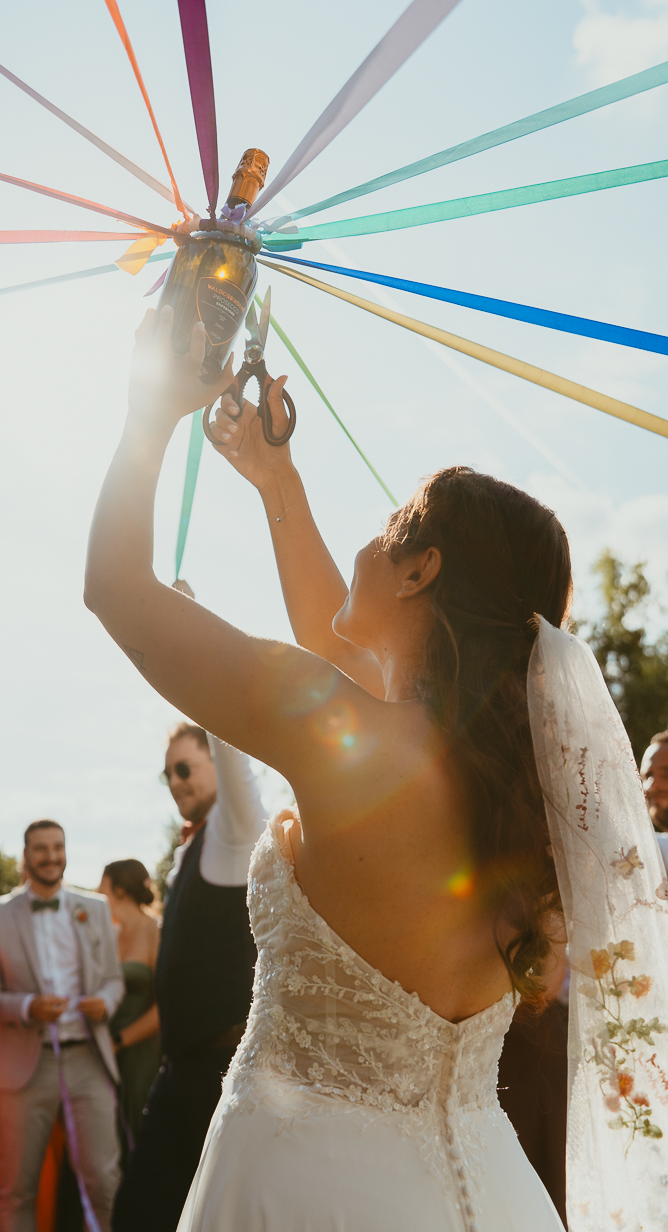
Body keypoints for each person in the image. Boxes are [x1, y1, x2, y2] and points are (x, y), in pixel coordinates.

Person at [83, 307, 582, 1230]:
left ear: (419, 570)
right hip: (492, 1191)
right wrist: (277, 479)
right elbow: (344, 658)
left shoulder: (343, 737)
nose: (368, 538)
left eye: (387, 525)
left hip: (306, 1189)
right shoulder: (532, 798)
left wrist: (149, 405)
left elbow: (113, 587)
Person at [111, 725, 265, 1232]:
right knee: (138, 1210)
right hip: (178, 1071)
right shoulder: (190, 851)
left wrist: (211, 705)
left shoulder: (236, 832)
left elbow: (233, 753)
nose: (175, 782)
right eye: (167, 774)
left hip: (222, 1071)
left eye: (185, 768)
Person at [0, 820, 124, 1232]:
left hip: (87, 1061)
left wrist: (104, 1003)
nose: (51, 856)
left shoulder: (94, 908)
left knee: (105, 1180)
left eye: (57, 847)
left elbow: (114, 980)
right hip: (25, 1066)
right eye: (41, 849)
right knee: (17, 1188)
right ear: (26, 856)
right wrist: (26, 1007)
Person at [98, 859, 161, 1142]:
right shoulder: (109, 934)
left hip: (140, 1053)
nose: (96, 891)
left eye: (102, 884)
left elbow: (165, 1008)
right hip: (101, 1051)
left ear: (119, 890)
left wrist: (120, 1041)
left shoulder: (156, 931)